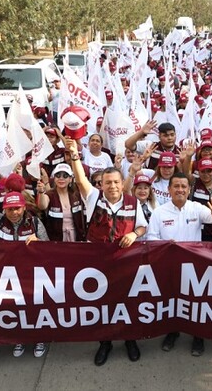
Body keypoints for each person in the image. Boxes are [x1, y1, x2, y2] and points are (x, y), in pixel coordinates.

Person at [66, 138, 148, 366]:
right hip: (98, 264)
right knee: (103, 304)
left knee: (128, 302)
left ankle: (130, 339)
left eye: (115, 182)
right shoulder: (93, 198)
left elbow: (142, 226)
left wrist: (135, 234)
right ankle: (105, 342)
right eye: (107, 182)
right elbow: (81, 180)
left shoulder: (133, 202)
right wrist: (74, 155)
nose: (111, 186)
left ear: (122, 184)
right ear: (101, 185)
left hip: (126, 263)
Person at [146, 173, 212, 357]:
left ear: (189, 189)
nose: (180, 190)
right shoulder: (159, 213)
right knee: (171, 301)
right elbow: (151, 238)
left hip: (194, 266)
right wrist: (165, 244)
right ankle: (172, 332)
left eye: (184, 186)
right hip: (168, 266)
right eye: (176, 186)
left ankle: (198, 336)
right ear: (169, 190)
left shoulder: (196, 208)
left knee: (195, 302)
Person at [0, 173, 48, 358]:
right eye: (9, 209)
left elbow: (48, 250)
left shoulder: (35, 223)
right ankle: (19, 339)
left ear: (23, 207)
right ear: (4, 209)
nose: (14, 213)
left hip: (30, 275)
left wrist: (38, 242)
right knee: (13, 307)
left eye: (17, 208)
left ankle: (39, 338)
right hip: (6, 275)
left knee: (33, 307)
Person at [36, 163, 86, 242]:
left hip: (76, 238)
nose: (61, 178)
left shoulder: (77, 194)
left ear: (70, 179)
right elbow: (42, 206)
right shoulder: (50, 194)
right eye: (58, 175)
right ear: (54, 178)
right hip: (56, 240)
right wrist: (41, 192)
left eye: (65, 176)